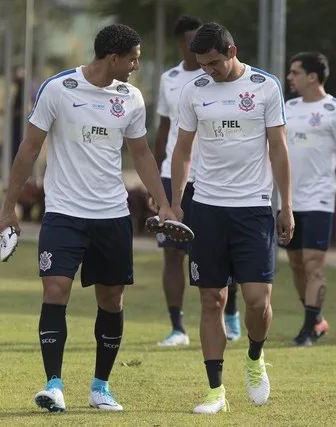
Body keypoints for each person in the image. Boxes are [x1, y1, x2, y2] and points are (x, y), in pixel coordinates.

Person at [0, 24, 177, 413]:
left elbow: (141, 154)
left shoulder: (130, 97)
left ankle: (100, 387)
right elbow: (29, 149)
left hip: (111, 215)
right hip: (63, 213)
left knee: (111, 300)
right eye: (132, 58)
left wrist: (163, 201)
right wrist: (8, 208)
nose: (136, 65)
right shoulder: (58, 89)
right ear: (112, 56)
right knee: (55, 290)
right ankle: (54, 385)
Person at [171, 22, 294, 413]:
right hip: (206, 207)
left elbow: (278, 148)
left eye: (214, 63)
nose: (209, 70)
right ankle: (215, 392)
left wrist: (285, 204)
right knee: (212, 300)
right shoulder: (193, 91)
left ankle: (255, 359)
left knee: (258, 301)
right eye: (201, 64)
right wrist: (176, 203)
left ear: (232, 50)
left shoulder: (265, 86)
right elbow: (183, 151)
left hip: (254, 208)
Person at [282, 52, 336, 346]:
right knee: (296, 264)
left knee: (313, 263)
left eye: (295, 72)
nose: (290, 77)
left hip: (320, 198)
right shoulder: (286, 108)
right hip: (288, 200)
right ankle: (315, 318)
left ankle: (308, 329)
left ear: (312, 77)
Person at [153, 15, 206, 347]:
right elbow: (162, 131)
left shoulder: (214, 74)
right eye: (189, 40)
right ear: (179, 43)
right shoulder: (169, 79)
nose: (194, 45)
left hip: (211, 177)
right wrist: (157, 183)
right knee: (172, 255)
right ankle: (177, 328)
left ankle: (228, 316)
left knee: (215, 251)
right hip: (173, 177)